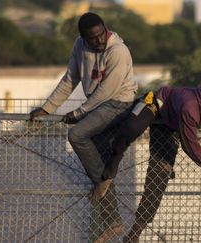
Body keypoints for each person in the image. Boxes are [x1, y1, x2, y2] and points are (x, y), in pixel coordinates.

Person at [95, 75, 201, 242]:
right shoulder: (191, 106)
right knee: (131, 129)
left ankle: (133, 236)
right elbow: (190, 145)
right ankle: (112, 164)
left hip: (175, 124)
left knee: (158, 179)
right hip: (159, 106)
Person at [28, 12, 138, 243]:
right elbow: (70, 78)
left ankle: (105, 189)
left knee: (76, 135)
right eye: (92, 38)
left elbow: (108, 90)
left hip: (119, 102)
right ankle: (113, 219)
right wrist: (48, 108)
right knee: (100, 169)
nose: (98, 41)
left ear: (105, 29)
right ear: (83, 37)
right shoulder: (80, 46)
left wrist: (79, 113)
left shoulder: (118, 50)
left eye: (101, 34)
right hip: (97, 106)